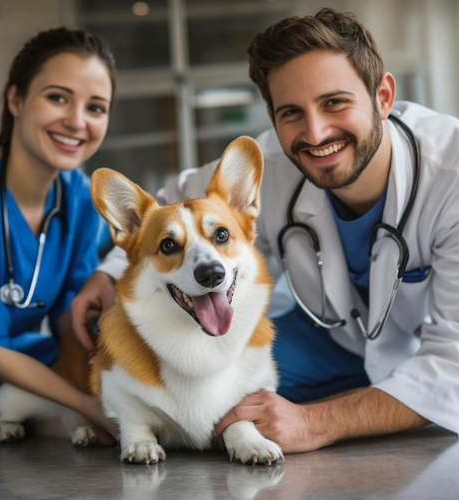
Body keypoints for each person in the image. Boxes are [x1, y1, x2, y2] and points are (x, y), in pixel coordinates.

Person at [71, 8, 459, 453]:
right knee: (209, 410)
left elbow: (454, 364)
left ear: (383, 95)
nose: (315, 133)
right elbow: (169, 211)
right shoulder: (271, 161)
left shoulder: (452, 175)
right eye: (291, 112)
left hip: (425, 353)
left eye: (335, 102)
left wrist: (315, 422)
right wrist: (107, 274)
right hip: (325, 341)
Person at [0, 27, 117, 442]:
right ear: (16, 100)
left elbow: (72, 313)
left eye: (96, 107)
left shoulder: (81, 198)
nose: (77, 121)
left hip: (13, 352)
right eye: (58, 97)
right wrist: (88, 407)